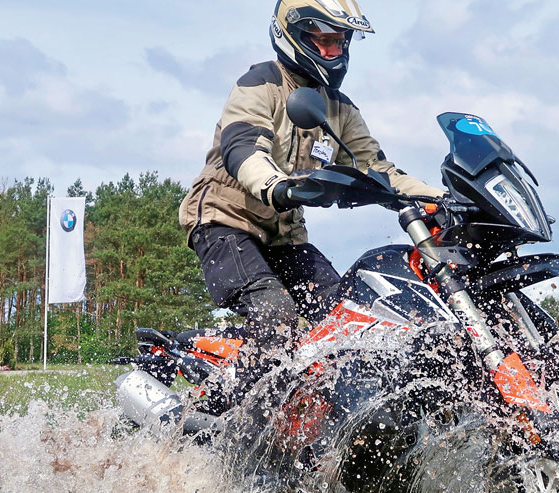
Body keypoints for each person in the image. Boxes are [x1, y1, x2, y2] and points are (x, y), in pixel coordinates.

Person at [178, 0, 445, 413]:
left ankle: (326, 420)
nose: (333, 50)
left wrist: (442, 199)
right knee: (275, 313)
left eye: (340, 41)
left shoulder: (339, 108)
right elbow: (243, 147)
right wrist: (275, 184)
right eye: (323, 40)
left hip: (285, 237)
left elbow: (379, 170)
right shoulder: (260, 84)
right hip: (224, 222)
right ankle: (233, 418)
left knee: (349, 314)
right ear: (294, 35)